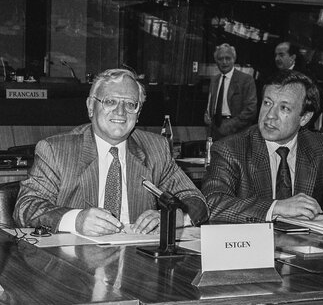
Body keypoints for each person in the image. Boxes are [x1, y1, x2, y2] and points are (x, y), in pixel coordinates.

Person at [14, 68, 207, 236]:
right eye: (110, 101)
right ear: (91, 106)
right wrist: (76, 220)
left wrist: (174, 217)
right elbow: (26, 206)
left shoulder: (156, 149)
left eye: (130, 104)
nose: (121, 112)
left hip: (137, 261)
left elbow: (197, 200)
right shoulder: (55, 150)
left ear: (138, 114)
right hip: (74, 261)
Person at [201, 70, 323, 223]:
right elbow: (211, 204)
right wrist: (276, 207)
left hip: (307, 244)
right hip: (253, 245)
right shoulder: (231, 149)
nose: (270, 115)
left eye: (284, 108)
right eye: (267, 103)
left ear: (304, 118)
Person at [203, 43, 256, 140]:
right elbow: (210, 105)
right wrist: (207, 115)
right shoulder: (214, 80)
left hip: (237, 132)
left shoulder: (246, 80)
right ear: (216, 61)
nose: (224, 62)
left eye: (228, 58)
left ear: (234, 59)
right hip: (214, 131)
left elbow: (251, 110)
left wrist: (230, 125)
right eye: (220, 59)